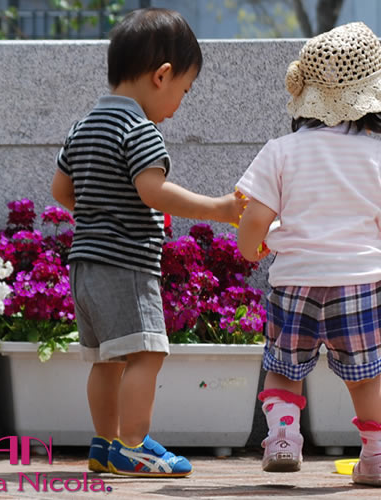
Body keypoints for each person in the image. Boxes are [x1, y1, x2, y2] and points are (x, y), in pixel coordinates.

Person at [51, 7, 245, 478]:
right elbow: (153, 192)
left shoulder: (84, 125)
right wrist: (218, 209)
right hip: (125, 265)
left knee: (107, 359)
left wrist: (98, 213)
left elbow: (60, 191)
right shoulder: (140, 130)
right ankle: (134, 445)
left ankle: (104, 443)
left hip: (85, 264)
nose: (180, 103)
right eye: (184, 90)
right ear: (162, 76)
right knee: (147, 352)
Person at [236, 22, 381, 487]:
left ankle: (282, 440)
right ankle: (379, 459)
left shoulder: (281, 151)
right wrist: (374, 221)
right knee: (365, 378)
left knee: (283, 369)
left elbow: (255, 218)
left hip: (295, 280)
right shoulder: (380, 155)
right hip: (361, 282)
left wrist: (249, 247)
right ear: (374, 100)